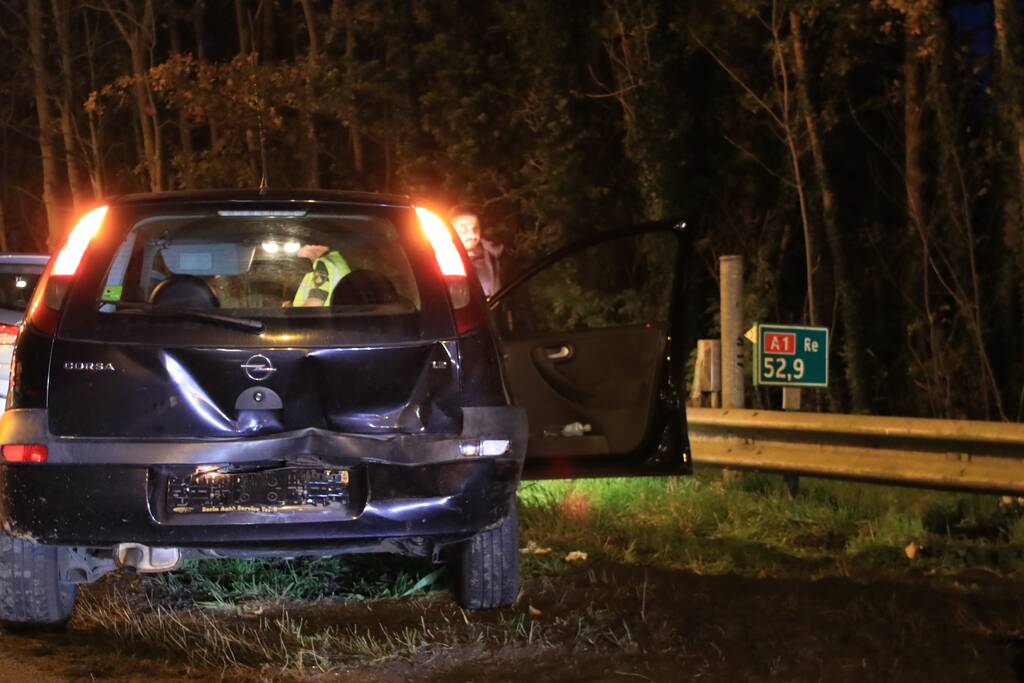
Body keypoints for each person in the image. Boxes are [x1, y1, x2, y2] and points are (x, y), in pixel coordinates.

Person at [451, 207, 504, 297]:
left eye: (475, 228)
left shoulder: (495, 253)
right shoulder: (442, 262)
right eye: (463, 230)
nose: (472, 234)